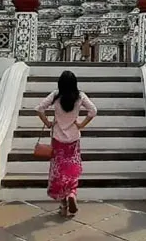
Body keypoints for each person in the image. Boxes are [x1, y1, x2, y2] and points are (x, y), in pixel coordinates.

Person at [35, 71, 97, 216]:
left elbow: (39, 109)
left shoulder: (56, 95)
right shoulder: (80, 96)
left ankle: (63, 205)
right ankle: (72, 194)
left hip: (57, 138)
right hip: (73, 139)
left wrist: (48, 123)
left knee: (58, 172)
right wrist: (81, 125)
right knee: (72, 169)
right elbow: (93, 111)